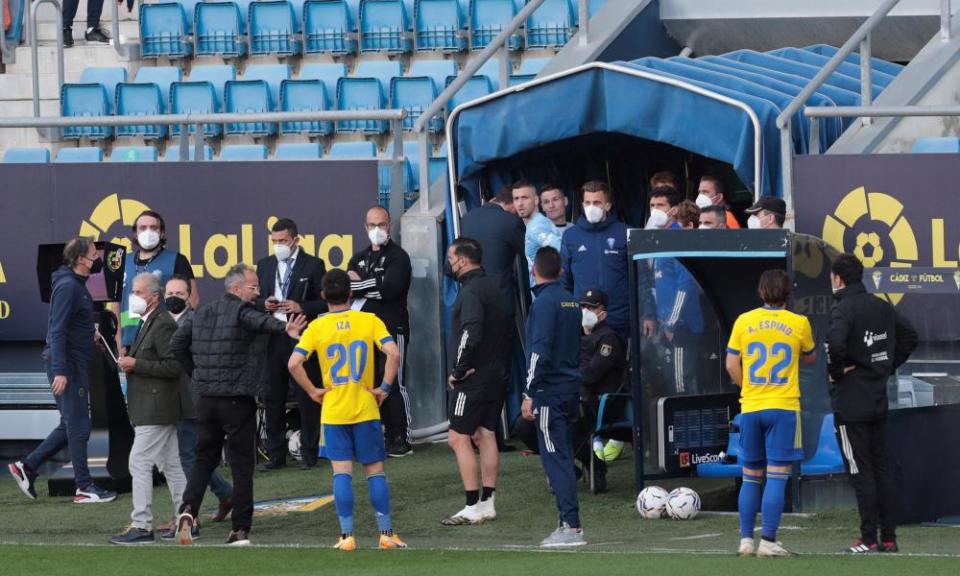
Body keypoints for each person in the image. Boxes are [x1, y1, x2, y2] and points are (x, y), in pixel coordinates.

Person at [171, 264, 305, 546]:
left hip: (206, 399)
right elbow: (261, 323)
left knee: (204, 459)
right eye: (253, 287)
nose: (256, 292)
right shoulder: (243, 311)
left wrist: (196, 373)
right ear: (236, 289)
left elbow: (177, 344)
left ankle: (188, 510)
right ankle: (240, 529)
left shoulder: (201, 312)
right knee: (242, 466)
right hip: (237, 399)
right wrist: (286, 328)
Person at [287, 269, 407, 551]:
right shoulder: (368, 320)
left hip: (333, 410)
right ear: (351, 293)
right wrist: (385, 388)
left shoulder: (317, 327)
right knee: (375, 471)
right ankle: (386, 534)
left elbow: (294, 364)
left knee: (341, 473)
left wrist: (314, 391)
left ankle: (346, 536)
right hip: (365, 406)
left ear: (322, 295)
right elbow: (394, 353)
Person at [7, 237, 117, 504]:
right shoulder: (68, 286)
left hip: (74, 363)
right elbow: (56, 330)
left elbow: (72, 324)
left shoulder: (75, 284)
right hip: (67, 366)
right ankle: (84, 487)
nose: (97, 259)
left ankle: (27, 466)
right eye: (93, 254)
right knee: (79, 426)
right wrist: (60, 370)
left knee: (70, 422)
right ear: (80, 259)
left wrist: (88, 334)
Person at [827, 254, 918, 554]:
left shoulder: (842, 309)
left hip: (850, 403)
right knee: (880, 468)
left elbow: (836, 346)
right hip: (878, 399)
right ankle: (889, 538)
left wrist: (837, 373)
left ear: (838, 278)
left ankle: (868, 538)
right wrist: (886, 367)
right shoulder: (881, 305)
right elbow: (910, 337)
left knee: (860, 470)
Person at [726, 269, 817, 557]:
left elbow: (731, 364)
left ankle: (745, 541)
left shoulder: (744, 320)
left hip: (751, 406)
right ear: (789, 293)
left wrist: (749, 387)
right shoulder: (799, 322)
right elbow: (811, 357)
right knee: (777, 475)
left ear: (761, 292)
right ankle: (768, 541)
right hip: (784, 406)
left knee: (751, 475)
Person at [109, 273, 187, 545]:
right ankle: (186, 520)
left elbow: (174, 366)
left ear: (154, 297)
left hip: (157, 407)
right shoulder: (150, 322)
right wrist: (132, 360)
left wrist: (136, 364)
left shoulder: (163, 324)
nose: (133, 297)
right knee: (172, 465)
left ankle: (142, 525)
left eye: (138, 292)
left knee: (139, 462)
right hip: (152, 406)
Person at [440, 238, 511, 526]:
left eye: (450, 257)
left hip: (474, 378)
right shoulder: (493, 286)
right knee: (485, 434)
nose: (448, 263)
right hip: (496, 373)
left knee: (458, 437)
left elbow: (471, 332)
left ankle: (471, 505)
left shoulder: (470, 292)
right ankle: (487, 502)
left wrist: (459, 370)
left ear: (462, 261)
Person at [521, 247, 585, 547]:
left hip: (549, 392)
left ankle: (570, 525)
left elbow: (539, 350)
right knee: (563, 455)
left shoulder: (545, 302)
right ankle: (569, 523)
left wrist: (528, 392)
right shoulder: (571, 300)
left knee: (556, 460)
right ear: (560, 270)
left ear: (534, 269)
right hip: (570, 388)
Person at [162, 275, 233, 533]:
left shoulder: (196, 320)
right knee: (193, 457)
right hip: (170, 399)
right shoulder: (161, 321)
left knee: (189, 456)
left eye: (180, 293)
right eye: (170, 292)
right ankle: (226, 493)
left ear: (191, 297)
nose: (173, 297)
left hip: (192, 397)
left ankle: (190, 513)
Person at [256, 218, 327, 470]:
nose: (278, 246)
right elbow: (254, 299)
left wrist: (302, 307)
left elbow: (326, 302)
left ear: (296, 240)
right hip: (273, 335)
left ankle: (309, 452)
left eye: (283, 241)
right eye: (274, 241)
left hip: (302, 337)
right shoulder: (264, 266)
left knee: (307, 395)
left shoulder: (314, 265)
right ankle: (276, 455)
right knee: (272, 396)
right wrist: (264, 303)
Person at [348, 207, 413, 457]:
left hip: (392, 328)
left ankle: (401, 437)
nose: (377, 229)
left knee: (393, 383)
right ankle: (382, 435)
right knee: (371, 382)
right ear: (365, 227)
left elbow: (389, 290)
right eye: (372, 225)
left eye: (382, 224)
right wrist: (372, 284)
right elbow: (349, 288)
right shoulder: (359, 257)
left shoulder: (399, 257)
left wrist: (362, 285)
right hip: (364, 331)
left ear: (390, 227)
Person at [460, 186, 526, 427]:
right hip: (500, 303)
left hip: (472, 300)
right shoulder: (510, 222)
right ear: (510, 205)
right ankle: (492, 429)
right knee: (499, 368)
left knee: (475, 365)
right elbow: (528, 255)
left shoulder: (467, 219)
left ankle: (479, 428)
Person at [118, 210, 198, 355]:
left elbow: (192, 300)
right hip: (130, 343)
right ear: (135, 233)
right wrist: (119, 341)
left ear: (162, 233)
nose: (148, 232)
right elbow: (116, 304)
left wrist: (178, 336)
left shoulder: (177, 260)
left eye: (154, 228)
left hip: (164, 341)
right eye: (142, 228)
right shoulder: (123, 261)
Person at [560, 180, 629, 340]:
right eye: (587, 202)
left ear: (608, 205)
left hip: (619, 318)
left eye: (597, 202)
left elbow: (640, 278)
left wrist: (647, 314)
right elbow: (564, 280)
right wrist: (569, 313)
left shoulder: (625, 232)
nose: (591, 207)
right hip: (584, 320)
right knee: (588, 365)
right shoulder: (571, 236)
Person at [576, 288, 626, 493]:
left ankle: (594, 465)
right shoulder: (575, 334)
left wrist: (571, 371)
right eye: (583, 306)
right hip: (579, 399)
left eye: (591, 307)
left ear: (603, 312)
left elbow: (590, 375)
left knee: (567, 421)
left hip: (601, 404)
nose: (585, 311)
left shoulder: (608, 338)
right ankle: (577, 466)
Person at [513, 179, 561, 283]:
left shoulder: (537, 226)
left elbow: (561, 250)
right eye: (516, 199)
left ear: (536, 200)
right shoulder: (536, 223)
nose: (520, 204)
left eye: (524, 198)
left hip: (547, 292)